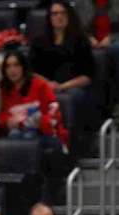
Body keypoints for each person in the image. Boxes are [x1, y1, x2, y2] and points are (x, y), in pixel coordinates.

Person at [30, 2, 97, 133]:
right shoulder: (39, 42)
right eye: (55, 13)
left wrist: (61, 87)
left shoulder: (81, 41)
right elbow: (31, 72)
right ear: (49, 17)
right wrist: (48, 84)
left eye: (63, 13)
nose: (59, 17)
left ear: (69, 16)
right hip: (46, 87)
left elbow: (87, 76)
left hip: (74, 87)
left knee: (72, 97)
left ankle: (72, 139)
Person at [0, 50, 70, 153]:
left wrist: (36, 121)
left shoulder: (40, 85)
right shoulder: (4, 90)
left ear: (24, 67)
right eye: (8, 66)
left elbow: (54, 117)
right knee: (14, 134)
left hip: (46, 134)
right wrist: (8, 122)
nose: (12, 70)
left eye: (16, 65)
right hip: (16, 134)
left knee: (26, 135)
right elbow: (2, 117)